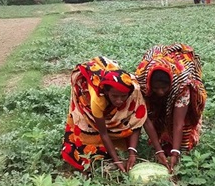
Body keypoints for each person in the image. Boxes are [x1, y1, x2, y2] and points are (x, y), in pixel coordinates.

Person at [61, 56, 147, 173]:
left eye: (123, 97)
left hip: (108, 73)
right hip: (88, 82)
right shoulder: (97, 100)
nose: (119, 101)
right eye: (115, 96)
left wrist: (133, 152)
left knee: (127, 114)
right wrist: (116, 161)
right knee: (88, 126)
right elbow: (103, 133)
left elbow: (140, 120)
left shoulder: (133, 89)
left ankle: (115, 146)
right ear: (106, 92)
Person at [135, 44, 207, 173]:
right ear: (150, 84)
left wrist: (175, 152)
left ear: (171, 84)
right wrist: (158, 149)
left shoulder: (182, 85)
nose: (161, 92)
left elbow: (178, 123)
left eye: (164, 88)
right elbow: (145, 119)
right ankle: (162, 140)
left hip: (179, 81)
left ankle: (174, 145)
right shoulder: (141, 84)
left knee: (182, 124)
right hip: (153, 76)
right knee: (155, 114)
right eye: (156, 88)